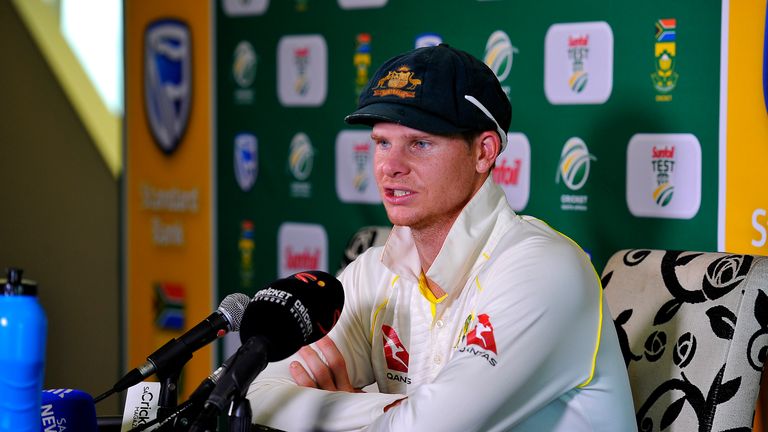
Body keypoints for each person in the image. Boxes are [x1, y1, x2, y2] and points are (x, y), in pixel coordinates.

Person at [246, 44, 637, 431]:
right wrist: (382, 411)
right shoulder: (373, 272)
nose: (389, 167)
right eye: (382, 142)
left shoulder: (544, 269)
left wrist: (346, 411)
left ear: (484, 152)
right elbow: (252, 393)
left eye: (419, 143)